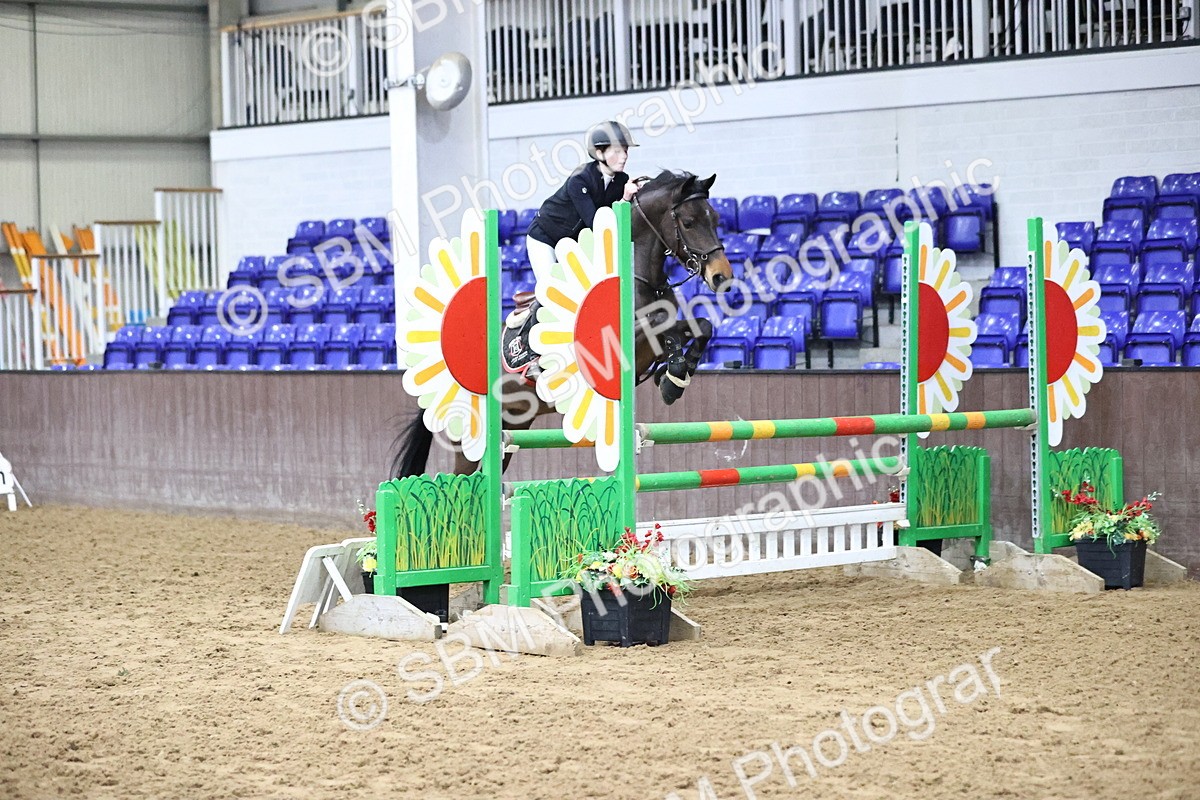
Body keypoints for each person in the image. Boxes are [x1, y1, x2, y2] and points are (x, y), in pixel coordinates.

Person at [525, 120, 640, 272]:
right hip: (545, 237)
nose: (624, 156)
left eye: (626, 151)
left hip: (574, 244)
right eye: (617, 151)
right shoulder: (580, 179)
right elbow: (595, 224)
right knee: (550, 285)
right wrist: (624, 199)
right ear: (599, 153)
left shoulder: (621, 180)